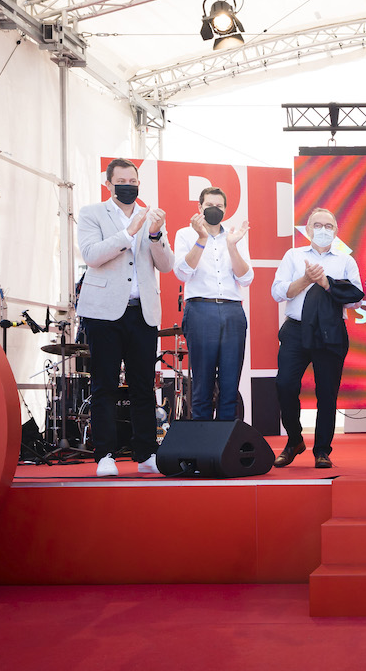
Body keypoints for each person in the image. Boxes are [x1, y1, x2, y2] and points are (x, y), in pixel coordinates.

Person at [76, 158, 175, 477]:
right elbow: (92, 255)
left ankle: (146, 452)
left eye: (133, 181)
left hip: (142, 312)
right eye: (122, 181)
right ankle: (105, 454)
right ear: (108, 184)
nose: (129, 186)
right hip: (103, 312)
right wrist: (128, 232)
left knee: (144, 386)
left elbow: (166, 265)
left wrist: (156, 233)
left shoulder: (151, 218)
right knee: (104, 384)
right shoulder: (92, 213)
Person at [271, 208, 364, 468]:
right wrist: (305, 280)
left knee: (327, 393)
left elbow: (357, 297)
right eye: (317, 225)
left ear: (336, 231)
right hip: (296, 330)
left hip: (330, 332)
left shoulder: (345, 260)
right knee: (285, 385)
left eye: (329, 226)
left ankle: (322, 449)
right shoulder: (293, 256)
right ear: (308, 229)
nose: (323, 230)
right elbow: (277, 292)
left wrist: (327, 284)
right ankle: (294, 440)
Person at [173, 187, 252, 421]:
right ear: (200, 208)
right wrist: (201, 239)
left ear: (226, 210)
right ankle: (201, 445)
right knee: (203, 383)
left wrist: (232, 247)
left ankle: (224, 447)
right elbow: (183, 273)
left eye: (219, 206)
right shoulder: (185, 234)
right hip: (200, 309)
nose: (214, 210)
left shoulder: (234, 237)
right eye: (209, 206)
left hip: (232, 310)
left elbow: (246, 278)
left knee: (230, 383)